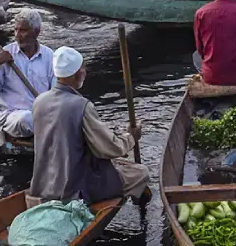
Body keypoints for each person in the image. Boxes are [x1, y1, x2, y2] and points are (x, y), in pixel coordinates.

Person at [28, 46, 150, 205]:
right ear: (77, 73)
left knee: (113, 163)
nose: (84, 71)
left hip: (41, 185)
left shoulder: (39, 101)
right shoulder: (82, 105)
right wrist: (131, 137)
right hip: (73, 189)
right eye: (82, 68)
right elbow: (110, 148)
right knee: (141, 172)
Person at [0, 9, 55, 138]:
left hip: (41, 114)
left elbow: (56, 90)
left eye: (23, 30)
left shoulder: (49, 55)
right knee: (26, 118)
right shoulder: (5, 54)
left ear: (36, 32)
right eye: (16, 30)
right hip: (12, 116)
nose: (17, 35)